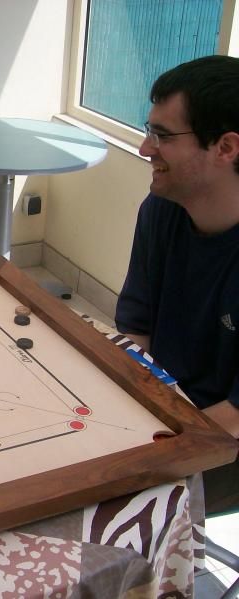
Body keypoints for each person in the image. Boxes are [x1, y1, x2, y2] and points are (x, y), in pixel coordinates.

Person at [115, 55, 239, 511]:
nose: (146, 149)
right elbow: (135, 332)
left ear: (226, 147)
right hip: (169, 408)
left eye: (163, 136)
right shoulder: (161, 210)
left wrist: (151, 454)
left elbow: (235, 415)